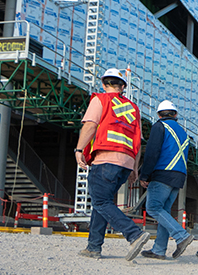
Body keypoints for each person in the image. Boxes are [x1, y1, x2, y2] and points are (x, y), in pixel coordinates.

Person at [74, 68, 149, 261]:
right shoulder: (134, 109)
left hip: (105, 159)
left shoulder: (100, 99)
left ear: (103, 84)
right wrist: (134, 167)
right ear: (123, 86)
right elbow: (138, 141)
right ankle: (93, 247)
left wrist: (79, 149)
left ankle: (134, 234)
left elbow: (90, 125)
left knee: (100, 201)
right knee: (103, 202)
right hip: (125, 163)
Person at [139, 100, 194, 259]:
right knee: (164, 211)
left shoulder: (159, 126)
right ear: (175, 114)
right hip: (178, 177)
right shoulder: (183, 132)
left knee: (153, 208)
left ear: (158, 114)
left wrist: (144, 175)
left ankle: (181, 235)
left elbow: (152, 152)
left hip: (163, 173)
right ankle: (159, 250)